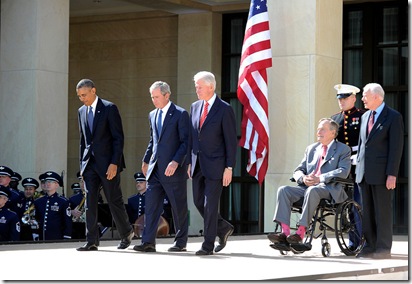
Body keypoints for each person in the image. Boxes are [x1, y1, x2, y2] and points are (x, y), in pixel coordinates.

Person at [267, 118, 351, 247]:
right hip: (307, 187)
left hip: (328, 189)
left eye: (322, 129)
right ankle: (284, 233)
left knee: (313, 190)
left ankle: (300, 233)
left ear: (333, 133)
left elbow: (343, 171)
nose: (318, 132)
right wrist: (302, 178)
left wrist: (320, 178)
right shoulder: (311, 149)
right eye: (318, 129)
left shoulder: (343, 149)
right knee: (283, 190)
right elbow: (298, 170)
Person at [75, 78, 133, 251]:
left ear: (93, 90)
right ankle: (92, 240)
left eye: (84, 95)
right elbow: (82, 142)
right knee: (89, 202)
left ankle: (126, 233)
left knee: (114, 200)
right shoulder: (81, 111)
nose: (82, 98)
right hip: (90, 165)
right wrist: (82, 168)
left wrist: (114, 163)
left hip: (108, 164)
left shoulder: (109, 108)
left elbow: (118, 138)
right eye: (79, 96)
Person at [133, 81, 189, 253]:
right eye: (152, 97)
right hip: (155, 169)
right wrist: (145, 160)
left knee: (178, 207)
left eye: (157, 97)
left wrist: (176, 161)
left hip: (173, 169)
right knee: (151, 206)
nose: (154, 100)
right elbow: (153, 141)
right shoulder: (152, 114)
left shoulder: (180, 114)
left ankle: (180, 242)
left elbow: (186, 142)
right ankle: (148, 242)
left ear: (167, 95)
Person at [188, 71, 237, 255]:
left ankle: (207, 245)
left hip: (217, 165)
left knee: (210, 205)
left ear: (211, 86)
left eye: (199, 86)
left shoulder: (224, 109)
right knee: (198, 201)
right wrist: (189, 162)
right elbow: (193, 137)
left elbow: (231, 142)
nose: (197, 89)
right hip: (197, 163)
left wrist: (229, 167)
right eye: (196, 86)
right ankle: (223, 227)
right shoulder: (194, 107)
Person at [355, 83, 404, 259]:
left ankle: (383, 248)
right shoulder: (364, 116)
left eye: (365, 95)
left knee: (382, 211)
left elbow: (396, 148)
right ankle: (369, 246)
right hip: (363, 173)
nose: (363, 99)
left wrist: (392, 174)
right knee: (366, 212)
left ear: (377, 97)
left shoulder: (393, 116)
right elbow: (362, 146)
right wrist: (357, 168)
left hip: (382, 174)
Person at [330, 83, 365, 250]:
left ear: (353, 98)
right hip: (342, 166)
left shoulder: (363, 115)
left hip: (359, 164)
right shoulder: (335, 119)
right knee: (345, 204)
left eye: (345, 98)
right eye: (340, 99)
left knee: (357, 204)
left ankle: (357, 240)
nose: (341, 102)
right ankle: (352, 240)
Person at [34, 171, 72, 240]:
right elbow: (36, 219)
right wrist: (35, 233)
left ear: (57, 185)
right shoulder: (38, 201)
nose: (48, 184)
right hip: (42, 237)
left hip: (57, 237)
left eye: (51, 182)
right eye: (46, 182)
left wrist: (67, 236)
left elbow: (67, 221)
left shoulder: (63, 201)